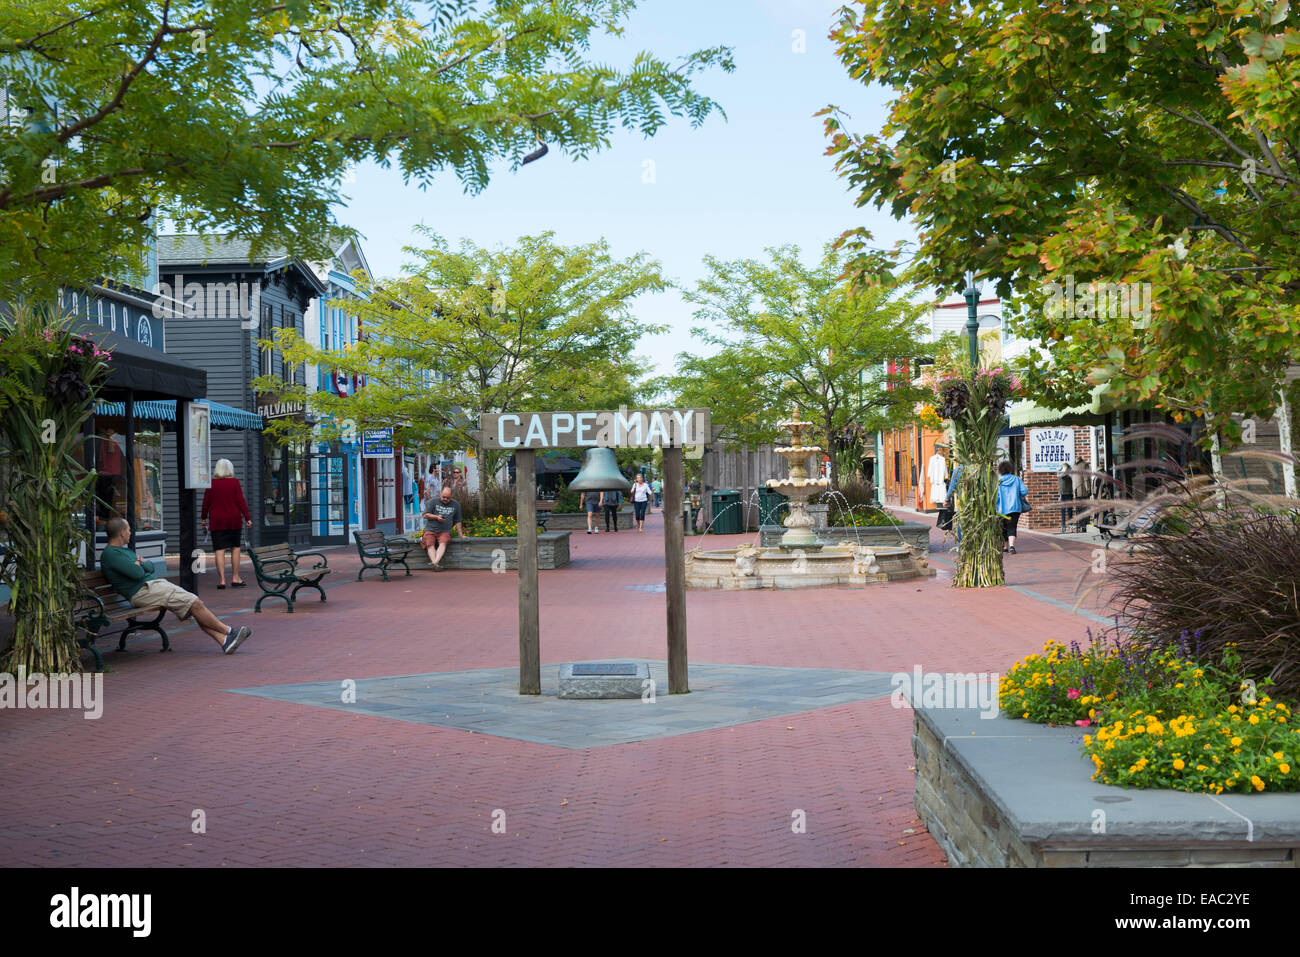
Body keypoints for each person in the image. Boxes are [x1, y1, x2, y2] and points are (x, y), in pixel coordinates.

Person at [100, 517, 251, 653]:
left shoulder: (124, 551)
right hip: (142, 591)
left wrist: (140, 564)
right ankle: (230, 631)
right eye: (129, 530)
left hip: (152, 586)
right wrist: (140, 564)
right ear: (121, 532)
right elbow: (138, 573)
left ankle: (224, 641)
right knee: (194, 603)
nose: (130, 533)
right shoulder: (112, 554)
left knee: (194, 605)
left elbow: (150, 567)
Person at [201, 458, 252, 589]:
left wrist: (203, 519)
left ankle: (222, 580)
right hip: (233, 519)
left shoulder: (211, 483)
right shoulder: (234, 482)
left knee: (219, 550)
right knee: (235, 548)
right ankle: (235, 577)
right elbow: (241, 501)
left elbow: (205, 503)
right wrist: (247, 518)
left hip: (217, 520)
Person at [421, 485, 464, 571]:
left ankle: (434, 563)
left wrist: (461, 535)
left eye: (448, 498)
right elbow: (425, 515)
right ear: (440, 494)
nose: (445, 499)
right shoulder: (433, 501)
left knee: (443, 542)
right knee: (429, 543)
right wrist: (436, 517)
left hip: (445, 530)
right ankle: (435, 564)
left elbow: (458, 521)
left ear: (451, 496)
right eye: (444, 497)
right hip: (431, 529)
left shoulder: (456, 505)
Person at [996, 460, 1030, 554]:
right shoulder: (1016, 479)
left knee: (1003, 527)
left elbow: (996, 496)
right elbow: (1024, 491)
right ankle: (1012, 546)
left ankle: (1005, 547)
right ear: (1010, 469)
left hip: (1002, 509)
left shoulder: (999, 481)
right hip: (1015, 507)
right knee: (1012, 526)